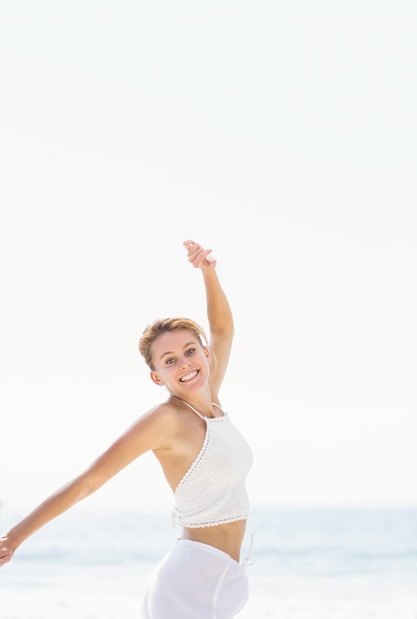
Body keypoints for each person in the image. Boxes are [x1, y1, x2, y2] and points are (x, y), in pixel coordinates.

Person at [0, 240, 253, 619]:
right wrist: (14, 537)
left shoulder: (212, 401)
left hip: (226, 577)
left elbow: (223, 328)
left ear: (205, 353)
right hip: (190, 584)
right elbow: (90, 480)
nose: (184, 363)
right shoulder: (166, 419)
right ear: (157, 376)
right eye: (170, 360)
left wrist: (208, 272)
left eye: (189, 351)